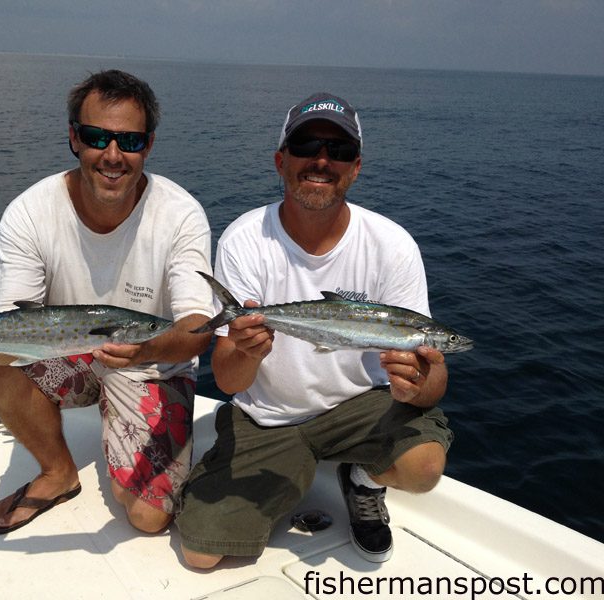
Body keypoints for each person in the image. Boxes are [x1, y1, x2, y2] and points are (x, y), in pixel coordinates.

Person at [0, 70, 213, 535]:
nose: (113, 155)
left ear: (149, 145)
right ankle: (58, 472)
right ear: (74, 138)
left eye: (130, 140)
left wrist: (144, 351)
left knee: (147, 517)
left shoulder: (180, 215)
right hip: (64, 357)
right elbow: (15, 330)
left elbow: (198, 328)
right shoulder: (30, 213)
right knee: (2, 361)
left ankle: (122, 423)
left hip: (152, 362)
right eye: (97, 136)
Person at [176, 93, 454, 567]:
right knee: (201, 553)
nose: (322, 160)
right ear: (281, 160)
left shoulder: (393, 245)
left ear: (357, 167)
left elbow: (434, 384)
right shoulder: (247, 238)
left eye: (339, 151)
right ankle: (286, 467)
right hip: (269, 414)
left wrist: (419, 385)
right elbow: (227, 381)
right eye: (307, 146)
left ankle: (361, 480)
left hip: (359, 407)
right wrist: (247, 351)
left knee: (424, 466)